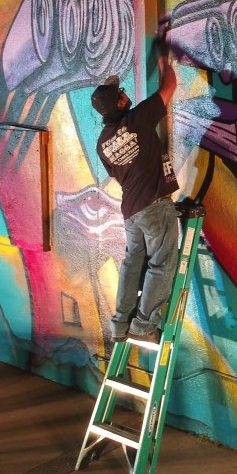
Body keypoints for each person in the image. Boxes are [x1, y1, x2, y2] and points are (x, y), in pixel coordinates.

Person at [91, 54, 181, 344]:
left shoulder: (103, 144)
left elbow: (118, 177)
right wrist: (164, 62)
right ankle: (143, 325)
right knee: (161, 264)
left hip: (131, 210)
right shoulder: (137, 119)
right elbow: (170, 86)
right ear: (119, 103)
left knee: (132, 263)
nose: (124, 92)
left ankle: (120, 324)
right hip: (154, 206)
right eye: (121, 92)